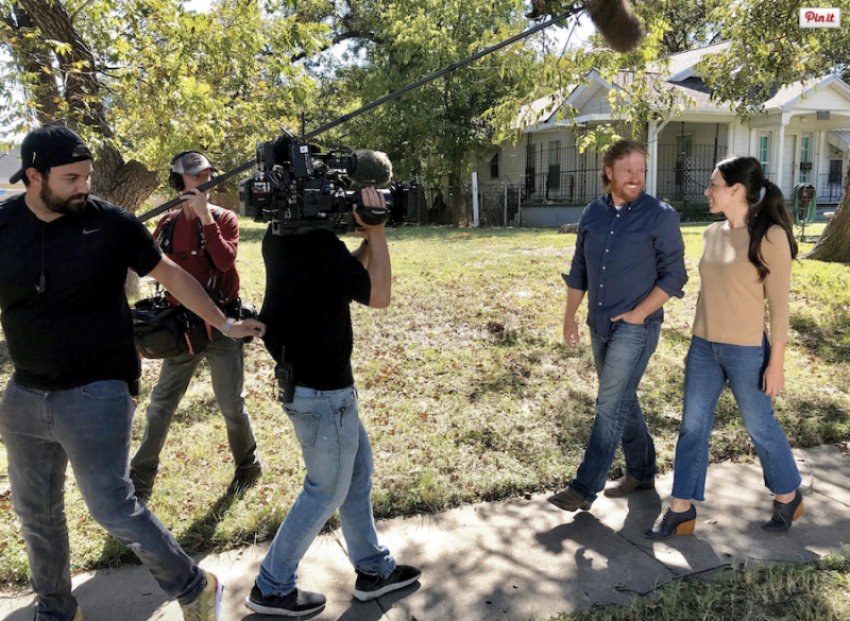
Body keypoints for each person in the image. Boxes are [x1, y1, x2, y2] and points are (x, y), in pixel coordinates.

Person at [0, 125, 265, 621]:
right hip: (25, 393)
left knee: (111, 505)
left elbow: (173, 276)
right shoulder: (4, 224)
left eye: (88, 176)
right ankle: (57, 610)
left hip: (98, 387)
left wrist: (225, 323)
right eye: (72, 178)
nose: (84, 187)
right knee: (35, 512)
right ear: (34, 177)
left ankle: (195, 586)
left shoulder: (111, 224)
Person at [246, 198, 421, 616]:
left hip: (309, 385)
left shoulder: (280, 236)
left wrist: (364, 245)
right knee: (325, 490)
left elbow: (342, 274)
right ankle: (271, 586)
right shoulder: (320, 245)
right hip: (325, 395)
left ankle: (374, 569)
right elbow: (379, 295)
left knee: (356, 474)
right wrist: (377, 232)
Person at [646, 156, 803, 539]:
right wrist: (696, 341)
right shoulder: (712, 233)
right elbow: (708, 293)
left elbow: (779, 306)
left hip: (747, 350)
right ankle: (681, 508)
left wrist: (776, 363)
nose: (707, 191)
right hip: (704, 346)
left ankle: (787, 495)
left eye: (713, 184)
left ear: (735, 190)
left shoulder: (771, 237)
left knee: (759, 425)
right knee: (692, 426)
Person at [548, 139, 687, 513]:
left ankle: (583, 489)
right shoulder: (593, 213)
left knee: (609, 404)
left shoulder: (660, 216)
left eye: (641, 170)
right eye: (628, 170)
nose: (635, 177)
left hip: (637, 327)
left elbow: (675, 276)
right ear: (609, 171)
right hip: (599, 324)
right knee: (622, 399)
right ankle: (642, 471)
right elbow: (579, 268)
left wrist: (640, 313)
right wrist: (570, 316)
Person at [130, 151, 262, 499]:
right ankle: (140, 476)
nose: (205, 182)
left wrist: (205, 218)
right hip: (181, 329)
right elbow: (142, 264)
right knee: (160, 404)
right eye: (195, 176)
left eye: (207, 175)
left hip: (223, 326)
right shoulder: (167, 224)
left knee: (231, 405)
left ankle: (248, 465)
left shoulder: (224, 218)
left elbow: (224, 261)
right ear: (179, 182)